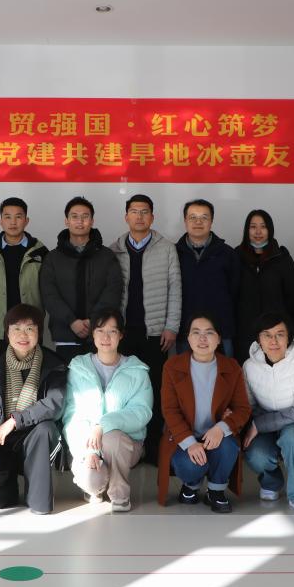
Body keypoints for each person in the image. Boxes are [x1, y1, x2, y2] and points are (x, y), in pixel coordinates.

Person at [0, 304, 67, 514]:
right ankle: (5, 486)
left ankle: (38, 502)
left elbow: (54, 404)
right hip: (1, 443)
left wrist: (14, 420)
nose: (23, 335)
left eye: (30, 328)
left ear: (39, 332)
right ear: (7, 333)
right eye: (16, 329)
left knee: (45, 429)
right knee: (3, 501)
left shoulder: (53, 364)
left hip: (35, 441)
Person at [107, 194, 181, 461]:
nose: (139, 216)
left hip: (155, 333)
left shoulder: (167, 248)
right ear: (126, 216)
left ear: (152, 217)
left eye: (144, 211)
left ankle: (152, 448)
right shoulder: (114, 250)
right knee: (123, 393)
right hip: (123, 334)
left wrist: (171, 326)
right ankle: (127, 448)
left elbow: (175, 288)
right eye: (134, 211)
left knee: (155, 389)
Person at [157, 312, 251, 513]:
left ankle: (215, 491)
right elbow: (170, 410)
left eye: (209, 333)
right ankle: (191, 486)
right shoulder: (173, 366)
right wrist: (190, 443)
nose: (202, 338)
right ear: (188, 338)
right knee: (191, 466)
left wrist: (221, 427)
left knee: (228, 446)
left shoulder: (231, 367)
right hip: (183, 438)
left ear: (218, 339)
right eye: (196, 332)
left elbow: (243, 409)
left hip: (215, 437)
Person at [63, 309, 152, 512]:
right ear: (92, 334)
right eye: (100, 330)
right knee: (91, 479)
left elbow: (141, 412)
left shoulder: (137, 370)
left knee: (113, 438)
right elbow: (72, 414)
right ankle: (95, 488)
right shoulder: (78, 368)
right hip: (86, 442)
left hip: (125, 444)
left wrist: (102, 426)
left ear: (121, 335)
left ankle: (119, 494)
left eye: (112, 331)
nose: (106, 337)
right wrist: (89, 451)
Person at [241, 313, 294, 515]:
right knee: (255, 453)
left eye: (279, 335)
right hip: (267, 429)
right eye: (267, 335)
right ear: (259, 339)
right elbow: (249, 405)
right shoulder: (249, 366)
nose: (273, 341)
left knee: (292, 436)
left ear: (289, 338)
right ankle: (271, 482)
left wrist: (258, 425)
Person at [39, 196, 123, 362]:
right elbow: (49, 294)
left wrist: (94, 321)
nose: (80, 221)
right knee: (67, 378)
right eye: (74, 216)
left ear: (92, 221)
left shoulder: (106, 256)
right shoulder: (53, 258)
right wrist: (72, 321)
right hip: (65, 334)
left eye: (85, 216)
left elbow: (113, 291)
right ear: (67, 221)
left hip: (100, 335)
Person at [0, 198, 47, 359]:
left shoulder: (40, 253)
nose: (13, 222)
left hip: (30, 329)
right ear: (0, 221)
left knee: (32, 372)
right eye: (7, 217)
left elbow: (49, 292)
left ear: (26, 220)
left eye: (18, 216)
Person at [175, 200, 239, 357]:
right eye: (193, 217)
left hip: (221, 331)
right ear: (185, 221)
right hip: (185, 331)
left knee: (224, 371)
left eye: (204, 217)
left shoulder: (228, 254)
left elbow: (235, 291)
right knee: (185, 372)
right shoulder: (174, 253)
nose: (198, 222)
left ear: (211, 221)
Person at [235, 210, 294, 362]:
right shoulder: (236, 257)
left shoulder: (282, 258)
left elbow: (293, 298)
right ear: (246, 230)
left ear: (270, 230)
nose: (258, 232)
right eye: (253, 227)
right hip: (244, 332)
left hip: (275, 332)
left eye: (263, 226)